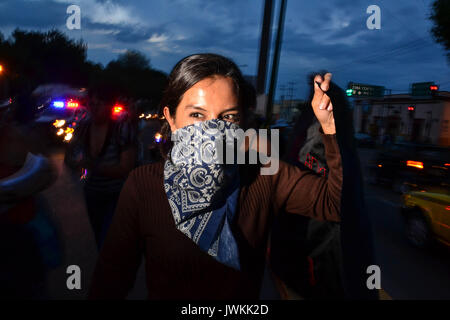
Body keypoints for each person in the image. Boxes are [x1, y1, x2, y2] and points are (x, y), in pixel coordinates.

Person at [88, 53, 342, 299]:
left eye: (228, 116)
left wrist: (329, 128)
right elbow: (111, 280)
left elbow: (335, 203)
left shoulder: (266, 174)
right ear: (172, 118)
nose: (213, 130)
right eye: (197, 115)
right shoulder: (143, 185)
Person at [64, 84, 138, 249]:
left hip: (117, 195)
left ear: (110, 106)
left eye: (100, 104)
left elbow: (125, 168)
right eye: (92, 104)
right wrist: (74, 163)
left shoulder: (122, 129)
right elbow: (69, 157)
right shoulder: (82, 129)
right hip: (92, 193)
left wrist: (91, 166)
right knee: (100, 238)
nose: (94, 108)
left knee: (109, 240)